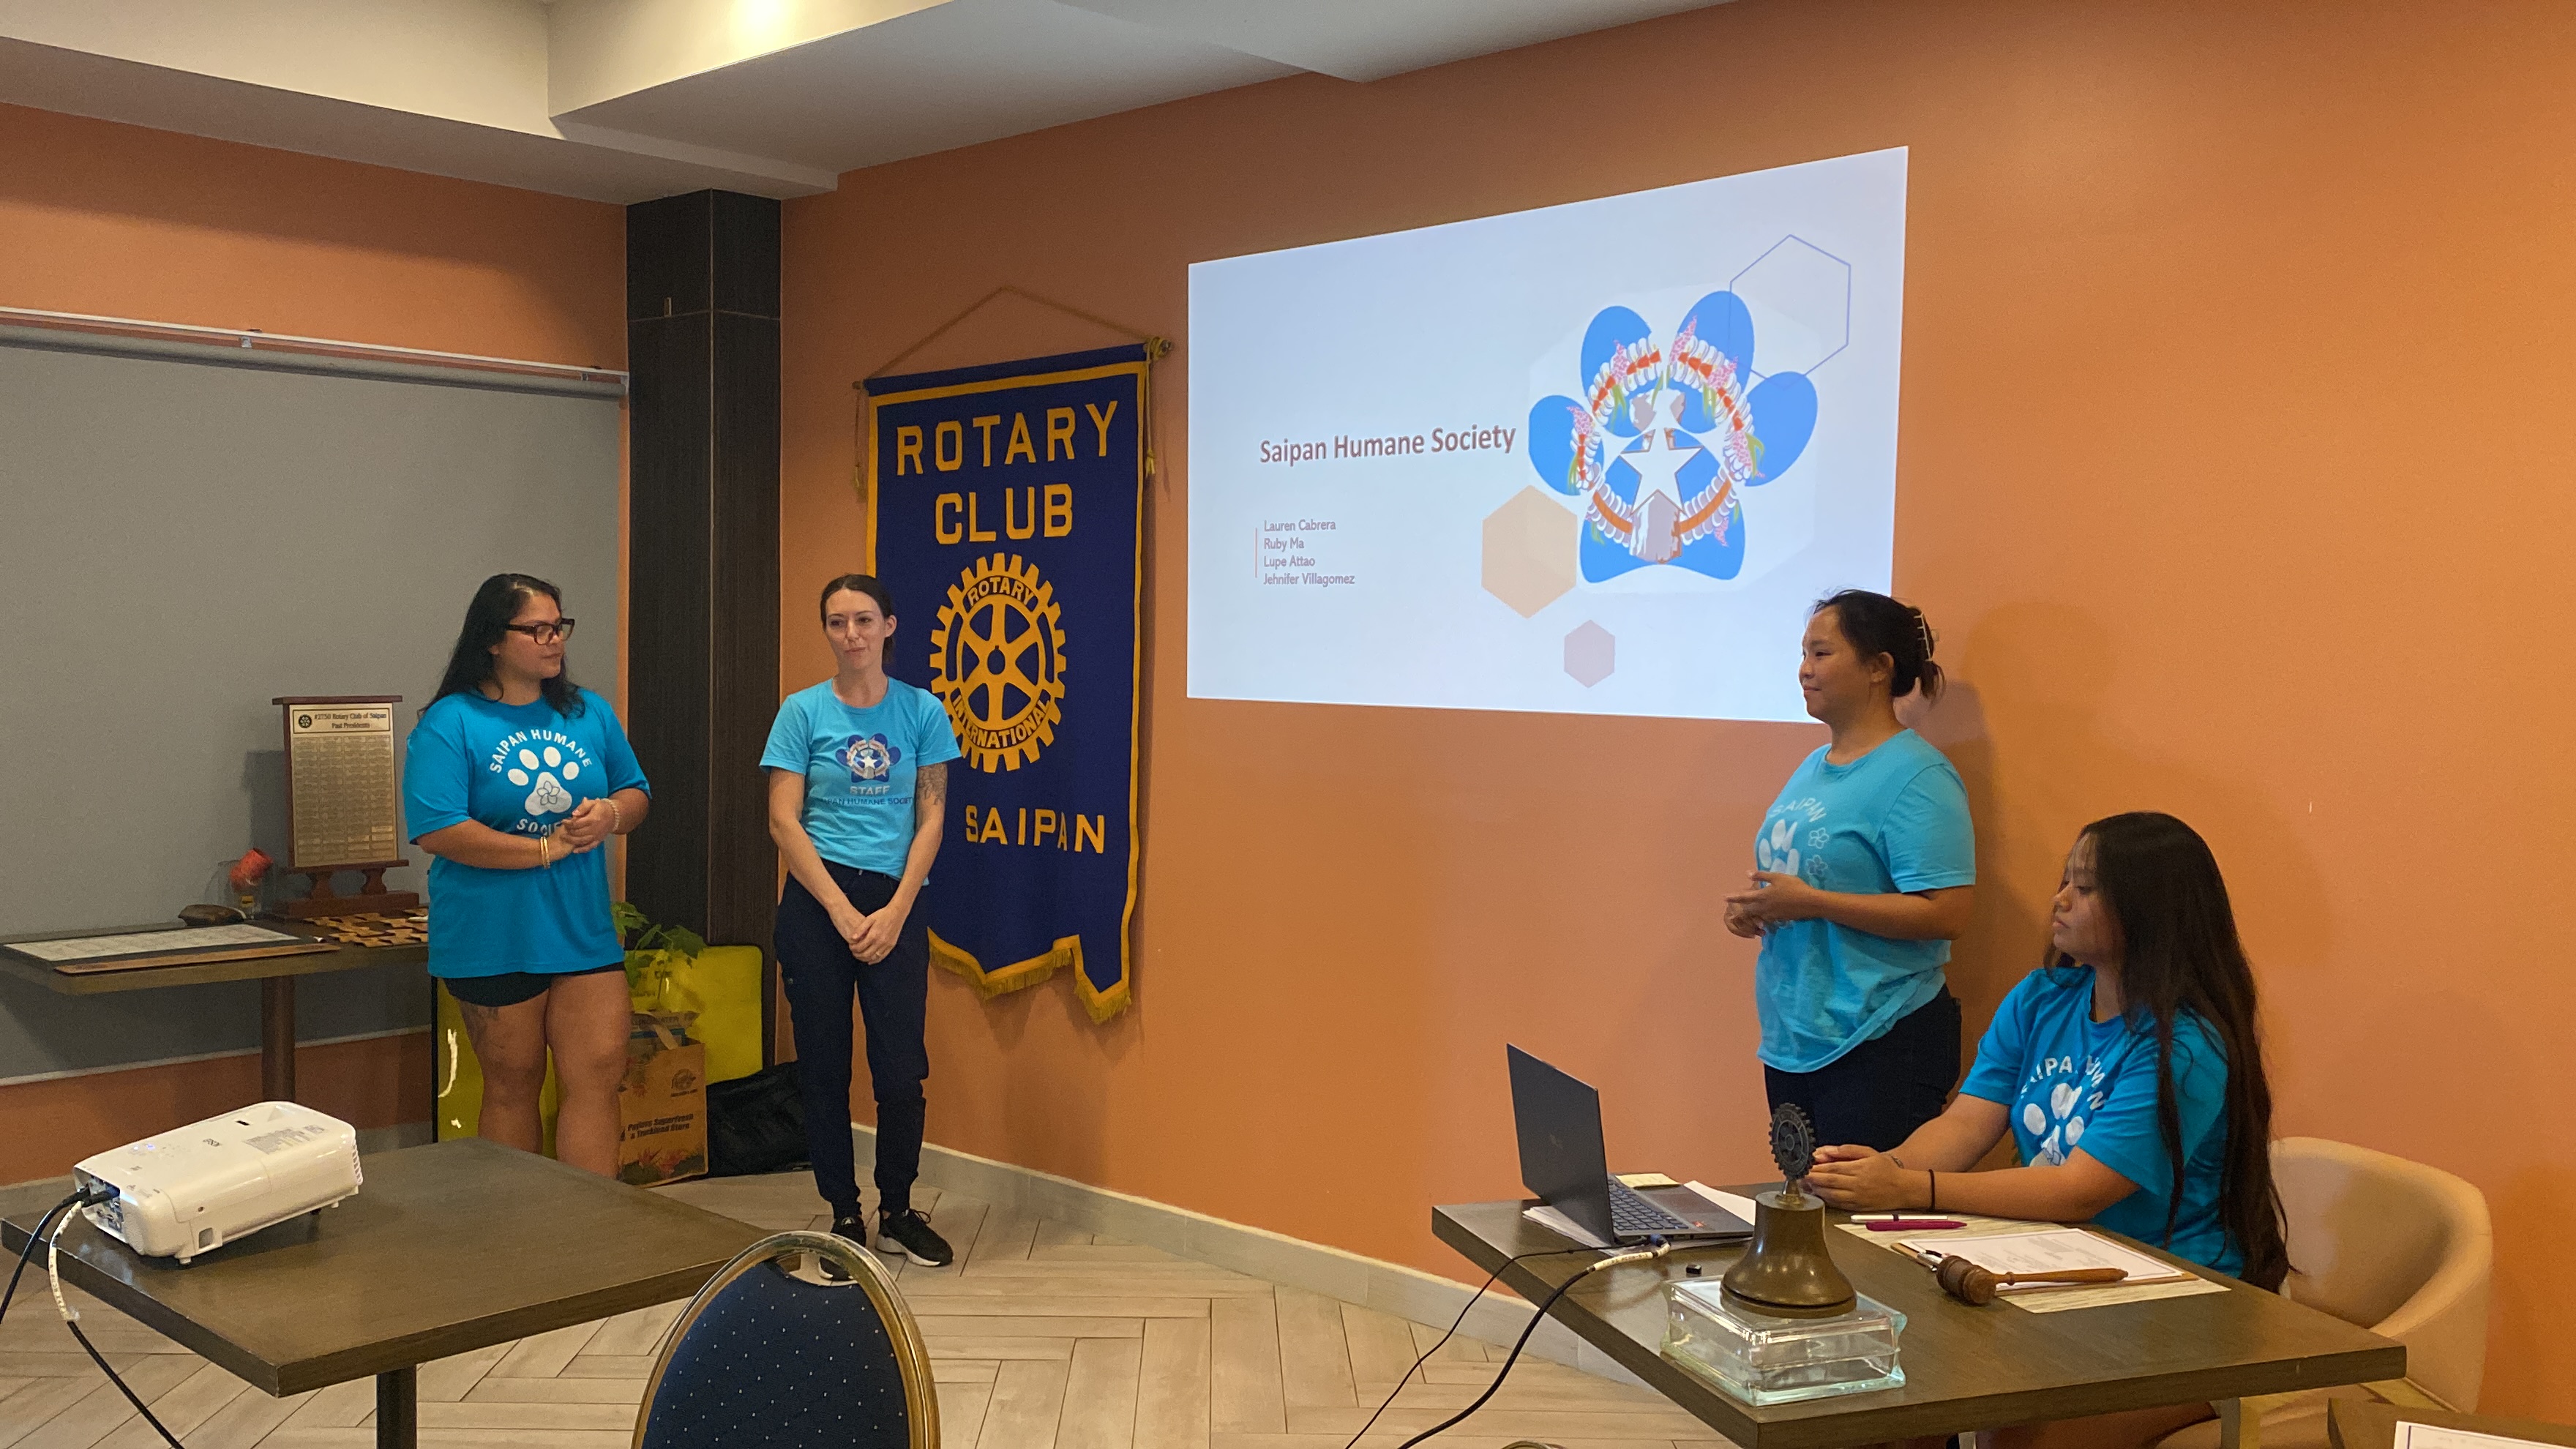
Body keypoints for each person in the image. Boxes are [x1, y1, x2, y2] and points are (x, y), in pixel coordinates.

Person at [1806, 812, 2289, 1449]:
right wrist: (1883, 1170)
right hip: (2055, 1270)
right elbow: (1965, 1122)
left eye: (2086, 888)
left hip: (2176, 1301)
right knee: (1897, 1394)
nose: (2059, 899)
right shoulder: (2042, 997)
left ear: (2149, 909)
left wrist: (1910, 1190)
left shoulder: (2187, 1044)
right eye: (2066, 879)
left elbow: (2077, 1192)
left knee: (2025, 1439)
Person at [404, 573, 650, 1175]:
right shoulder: (451, 722)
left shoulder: (588, 711)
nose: (553, 641)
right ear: (493, 639)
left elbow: (635, 793)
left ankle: (589, 1238)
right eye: (536, 629)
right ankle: (519, 1240)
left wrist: (610, 815)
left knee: (597, 1077)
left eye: (559, 627)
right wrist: (543, 850)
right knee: (514, 1086)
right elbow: (439, 828)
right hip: (493, 935)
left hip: (581, 930)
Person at [1725, 590, 1976, 1149]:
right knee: (1806, 1212)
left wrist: (1812, 904)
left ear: (1878, 668)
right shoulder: (1815, 765)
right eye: (1803, 655)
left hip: (1881, 1033)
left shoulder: (1918, 777)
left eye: (1821, 654)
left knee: (1860, 1223)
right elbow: (1810, 881)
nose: (1804, 671)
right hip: (1798, 1032)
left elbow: (1949, 913)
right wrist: (1757, 910)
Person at [764, 573, 961, 1267]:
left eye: (864, 620)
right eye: (838, 622)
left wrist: (897, 908)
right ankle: (844, 1212)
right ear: (827, 631)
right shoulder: (802, 712)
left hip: (898, 897)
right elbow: (783, 821)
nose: (852, 634)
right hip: (820, 903)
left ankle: (899, 1207)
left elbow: (932, 816)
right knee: (823, 1065)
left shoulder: (922, 712)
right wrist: (843, 911)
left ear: (890, 626)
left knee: (901, 1068)